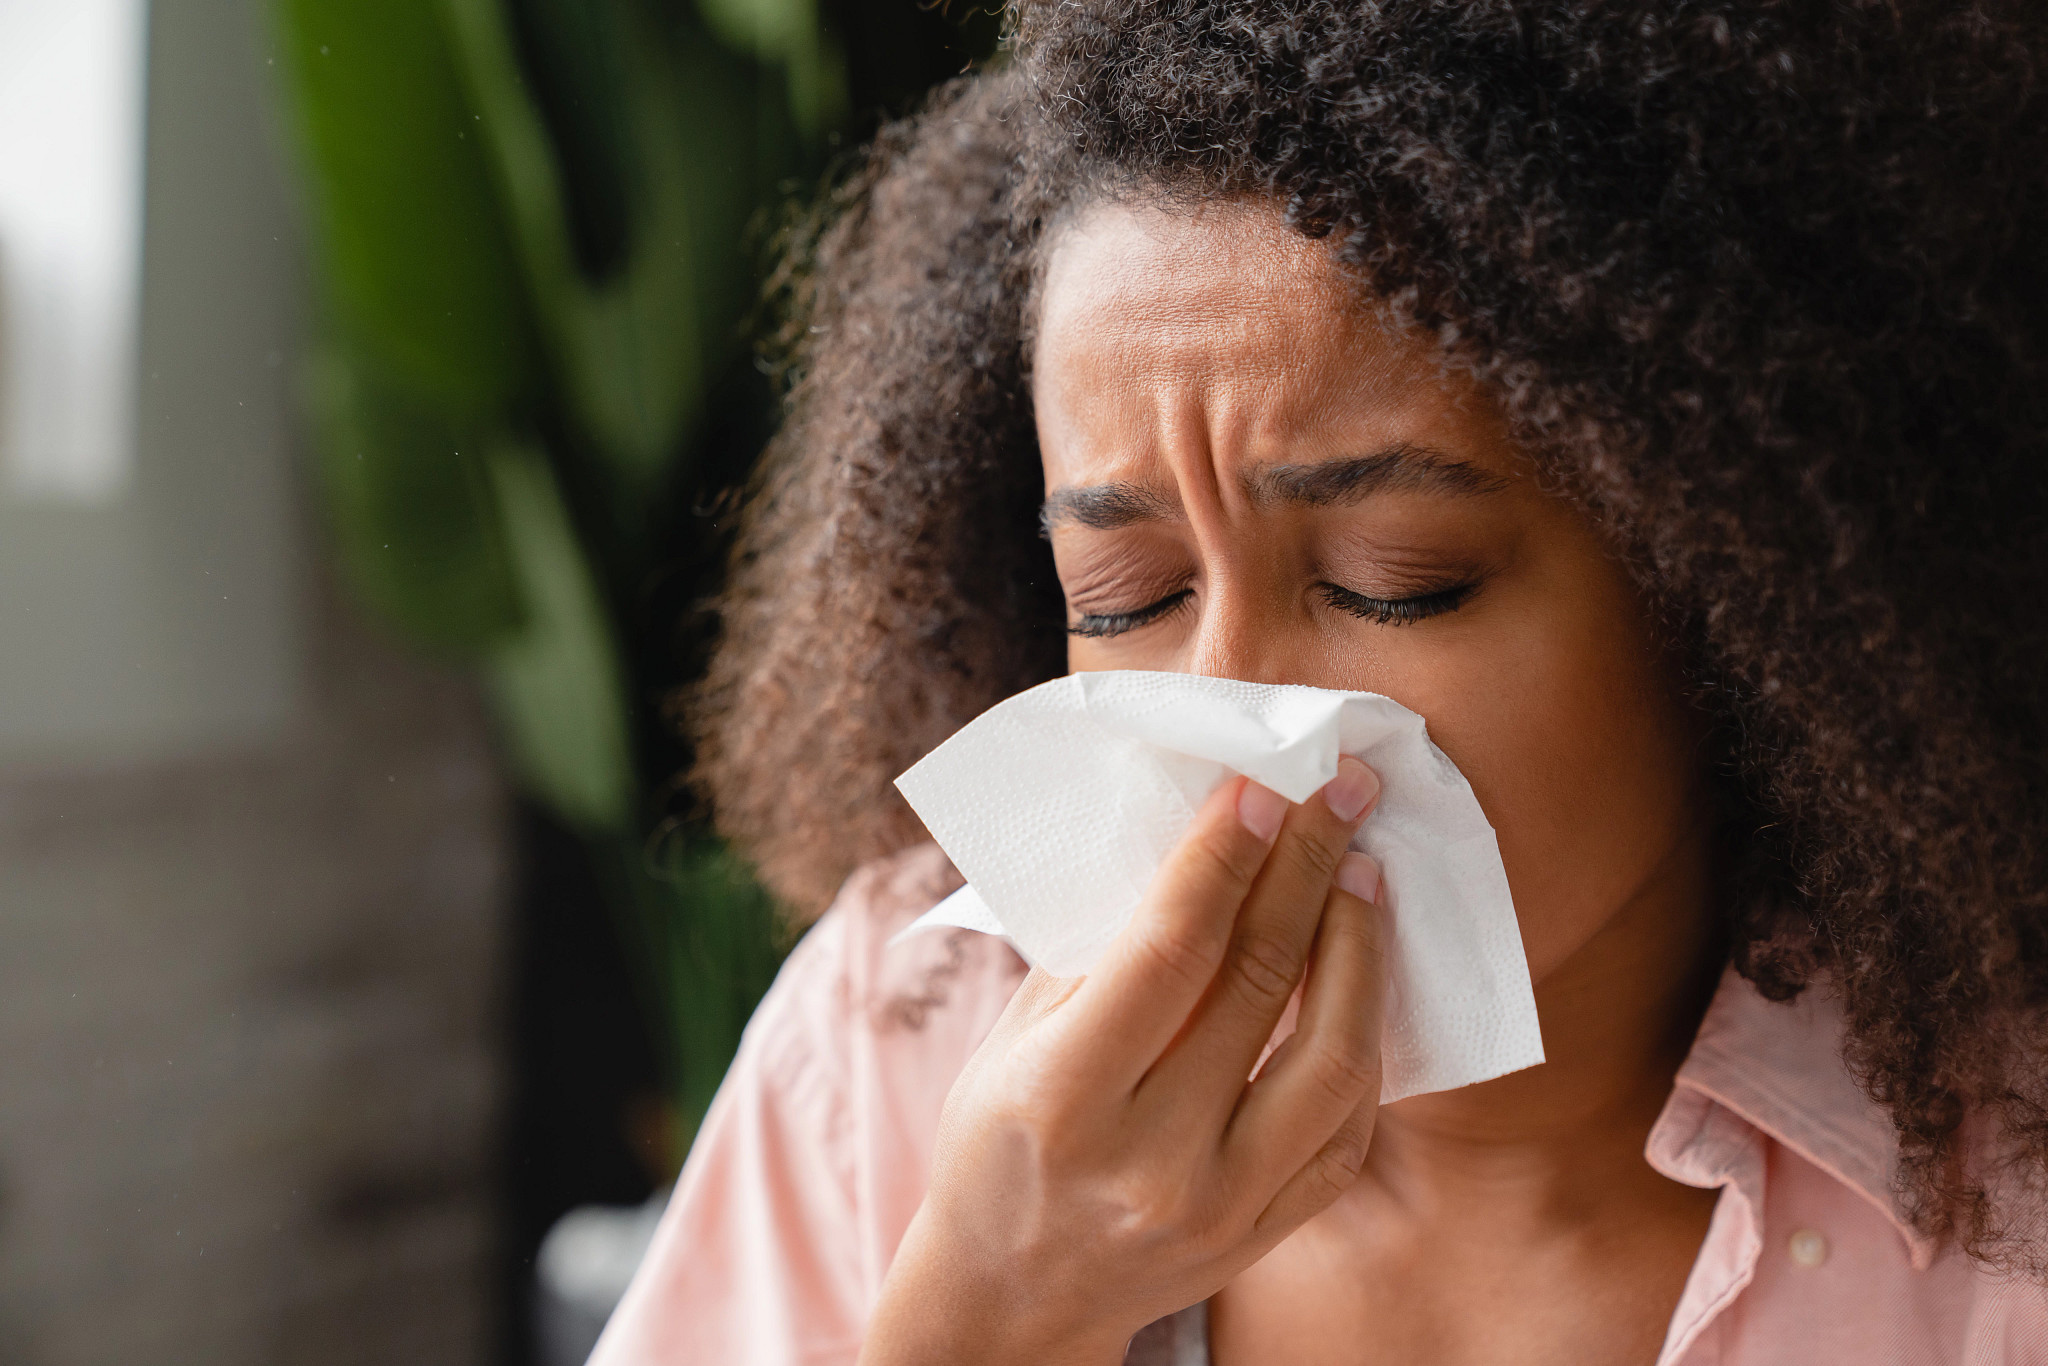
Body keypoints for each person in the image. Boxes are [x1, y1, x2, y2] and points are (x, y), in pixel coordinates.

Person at [592, 2, 2048, 1361]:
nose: (1237, 730)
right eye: (1129, 597)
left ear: (1734, 578)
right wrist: (987, 1312)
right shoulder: (900, 1036)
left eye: (1393, 583)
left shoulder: (2009, 1190)